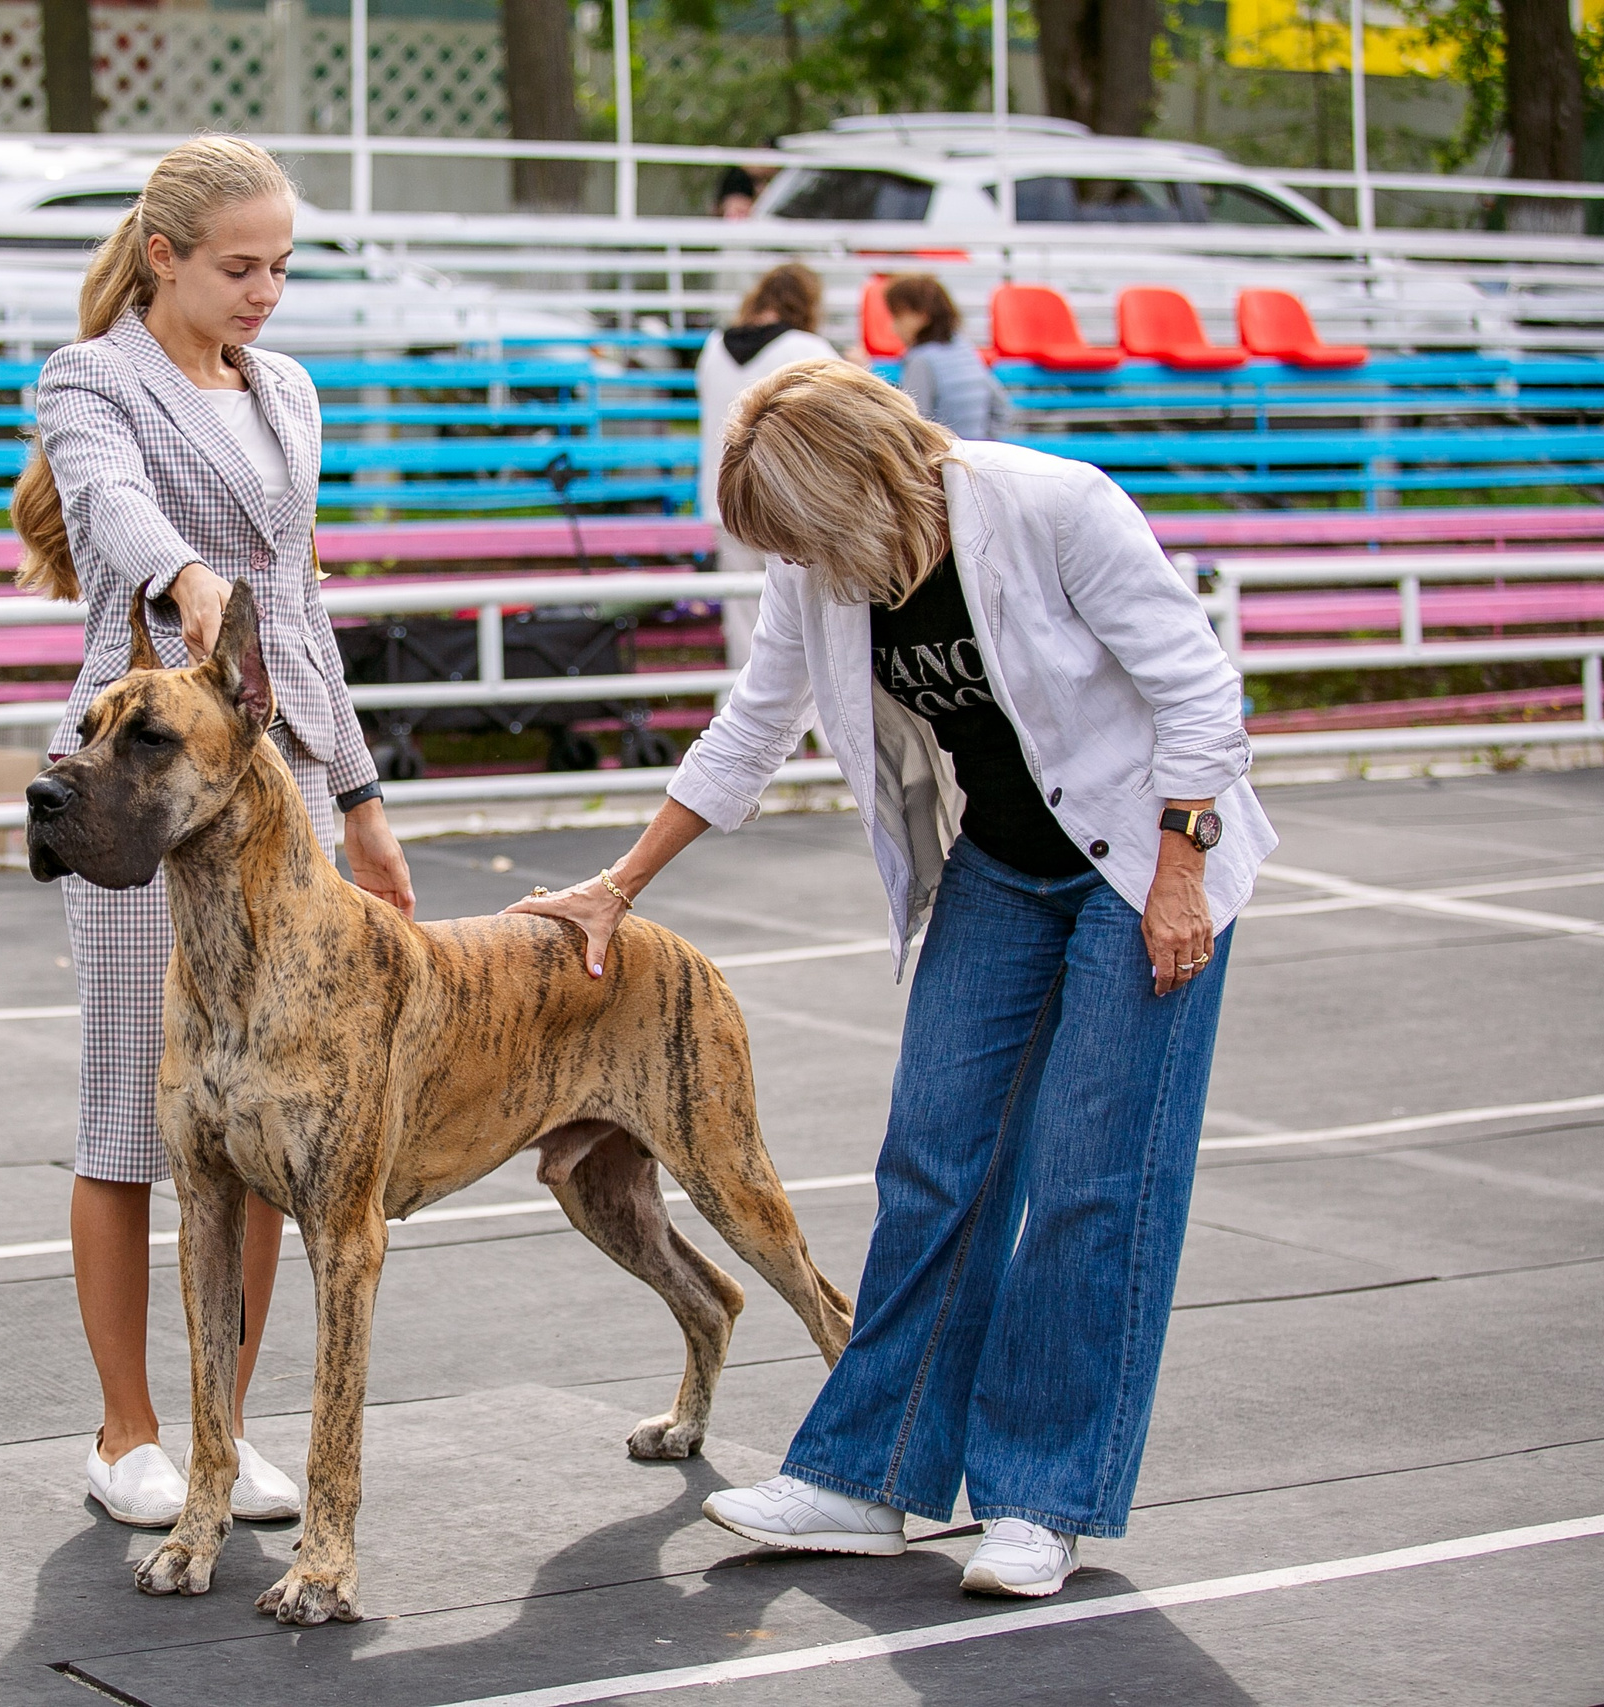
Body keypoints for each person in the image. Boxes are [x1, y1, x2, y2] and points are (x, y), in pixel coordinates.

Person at [511, 361, 1275, 1600]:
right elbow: (749, 730)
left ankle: (1040, 1499)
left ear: (860, 486)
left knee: (1094, 1185)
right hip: (1001, 865)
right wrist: (619, 883)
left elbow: (1201, 694)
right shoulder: (819, 566)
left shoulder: (1054, 507)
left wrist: (1181, 876)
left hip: (1140, 861)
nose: (800, 564)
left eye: (807, 535)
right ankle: (870, 1475)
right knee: (931, 1165)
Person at [11, 136, 416, 1531]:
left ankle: (219, 1431)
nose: (266, 292)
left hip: (271, 788)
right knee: (136, 1107)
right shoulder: (88, 380)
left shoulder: (290, 392)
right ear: (165, 255)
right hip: (139, 776)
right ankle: (127, 1428)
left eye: (283, 267)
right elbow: (112, 506)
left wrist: (358, 800)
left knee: (265, 1117)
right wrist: (187, 576)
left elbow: (296, 616)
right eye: (240, 266)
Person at [697, 263, 840, 666]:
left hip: (727, 501)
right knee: (812, 625)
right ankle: (821, 726)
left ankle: (743, 718)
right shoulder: (807, 348)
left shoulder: (712, 350)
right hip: (792, 506)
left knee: (743, 625)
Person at [882, 274, 1011, 440]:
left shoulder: (921, 361)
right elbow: (1001, 408)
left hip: (943, 460)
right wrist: (980, 446)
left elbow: (912, 428)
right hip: (972, 458)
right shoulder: (965, 349)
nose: (893, 327)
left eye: (898, 316)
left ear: (922, 315)